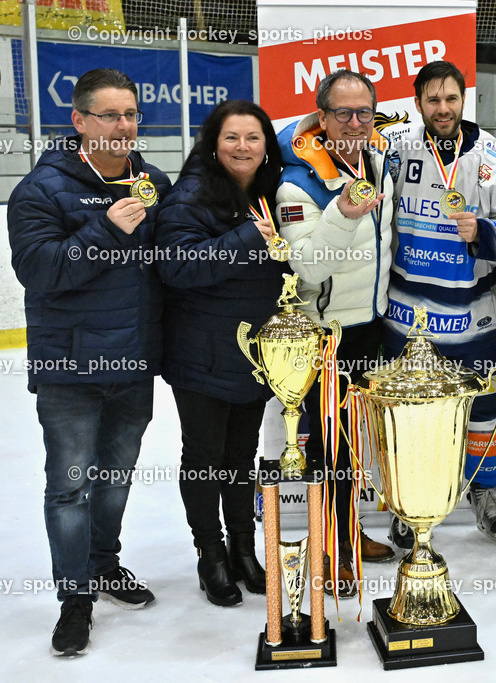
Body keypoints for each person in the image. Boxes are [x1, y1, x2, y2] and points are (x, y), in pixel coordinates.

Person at [7, 68, 170, 656]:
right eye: (110, 115)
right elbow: (40, 271)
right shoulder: (41, 190)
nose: (123, 126)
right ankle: (74, 598)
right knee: (70, 487)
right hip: (68, 372)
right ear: (78, 122)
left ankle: (104, 564)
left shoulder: (151, 180)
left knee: (115, 479)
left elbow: (170, 266)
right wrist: (104, 227)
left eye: (130, 115)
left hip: (132, 366)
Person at [155, 100, 287, 607]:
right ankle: (210, 555)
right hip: (200, 356)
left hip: (252, 354)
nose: (243, 147)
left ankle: (243, 551)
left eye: (253, 138)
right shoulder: (191, 194)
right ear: (214, 143)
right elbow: (177, 266)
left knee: (239, 459)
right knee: (206, 459)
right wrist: (248, 236)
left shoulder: (267, 193)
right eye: (232, 137)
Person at [383, 60, 496, 549]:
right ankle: (409, 500)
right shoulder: (394, 153)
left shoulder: (495, 160)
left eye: (452, 99)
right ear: (418, 103)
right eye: (433, 100)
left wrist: (484, 232)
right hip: (406, 319)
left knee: (485, 406)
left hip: (474, 317)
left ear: (465, 100)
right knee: (412, 414)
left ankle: (486, 493)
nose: (443, 108)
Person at [276, 69, 396, 598]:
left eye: (363, 112)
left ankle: (352, 530)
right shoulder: (294, 180)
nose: (353, 123)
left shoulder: (377, 163)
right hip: (328, 337)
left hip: (373, 326)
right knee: (332, 453)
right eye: (342, 113)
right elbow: (308, 267)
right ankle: (332, 547)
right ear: (321, 118)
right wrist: (343, 214)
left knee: (360, 446)